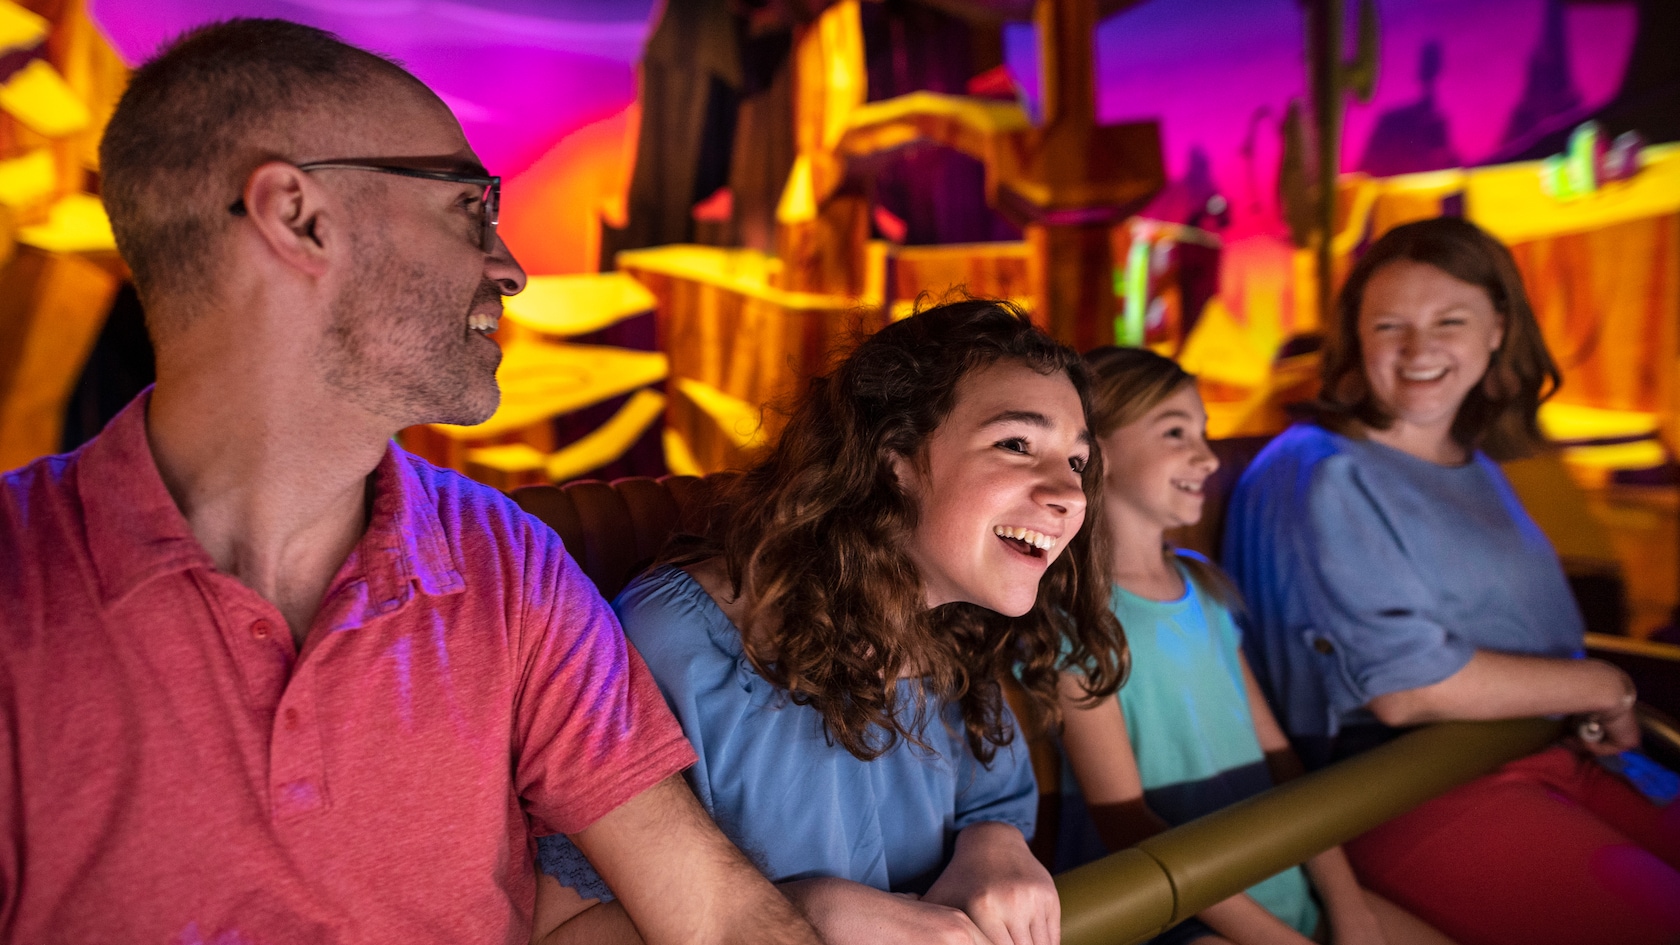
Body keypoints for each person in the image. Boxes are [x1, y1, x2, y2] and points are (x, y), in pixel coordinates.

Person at [0, 19, 822, 945]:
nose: (510, 268)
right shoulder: (19, 590)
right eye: (471, 207)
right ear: (299, 218)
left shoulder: (509, 567)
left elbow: (713, 917)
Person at [534, 300, 1130, 945]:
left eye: (1076, 462)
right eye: (1016, 444)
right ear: (894, 456)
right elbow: (562, 933)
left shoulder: (952, 630)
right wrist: (810, 913)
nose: (1071, 494)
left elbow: (990, 803)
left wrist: (994, 844)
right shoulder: (676, 642)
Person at [1222, 216, 1680, 945]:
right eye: (1390, 325)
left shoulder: (1477, 461)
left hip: (1552, 753)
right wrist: (1604, 685)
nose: (1418, 348)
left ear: (1498, 326)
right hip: (1415, 783)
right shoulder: (1317, 469)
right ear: (1356, 337)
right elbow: (1404, 688)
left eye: (1450, 320)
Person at [1054, 346, 1454, 945]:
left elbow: (1282, 761)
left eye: (1204, 432)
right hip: (1178, 914)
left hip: (1283, 879)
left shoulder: (1205, 588)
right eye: (1175, 432)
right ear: (1100, 453)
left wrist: (1346, 904)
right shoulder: (1076, 624)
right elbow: (1127, 825)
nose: (1207, 457)